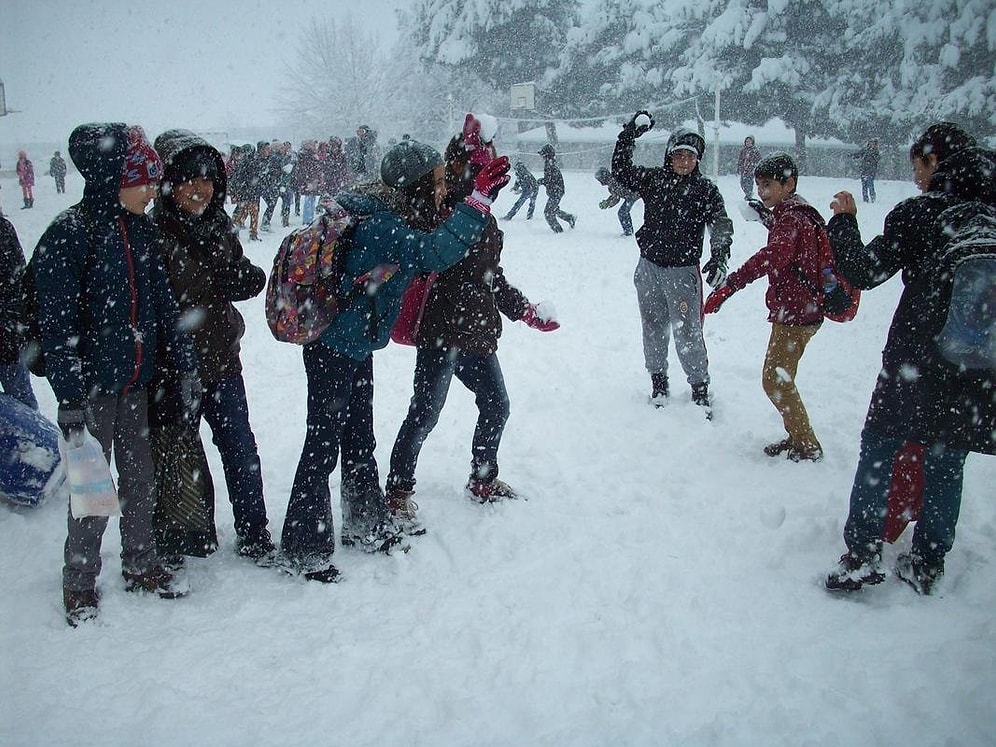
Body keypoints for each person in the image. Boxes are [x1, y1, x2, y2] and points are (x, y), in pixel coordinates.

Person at [280, 139, 511, 581]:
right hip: (333, 349)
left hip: (354, 346)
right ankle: (304, 548)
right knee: (322, 446)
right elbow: (435, 252)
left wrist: (474, 198)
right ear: (416, 185)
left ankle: (365, 524)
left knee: (358, 439)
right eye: (437, 182)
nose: (443, 190)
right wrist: (478, 201)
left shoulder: (393, 215)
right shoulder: (381, 226)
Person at [32, 123, 200, 626]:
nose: (152, 191)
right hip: (90, 391)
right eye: (143, 181)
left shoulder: (141, 231)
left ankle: (141, 563)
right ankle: (79, 581)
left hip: (134, 385)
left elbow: (165, 307)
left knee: (139, 478)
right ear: (113, 179)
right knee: (91, 490)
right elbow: (57, 325)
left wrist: (185, 365)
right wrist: (69, 396)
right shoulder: (71, 233)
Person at [824, 123, 995, 594]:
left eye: (917, 164)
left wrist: (844, 221)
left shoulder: (920, 214)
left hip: (914, 361)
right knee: (946, 464)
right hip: (976, 367)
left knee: (880, 449)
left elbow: (864, 271)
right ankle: (928, 563)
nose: (915, 175)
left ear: (934, 162)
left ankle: (862, 554)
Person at [384, 116, 560, 533]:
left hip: (477, 330)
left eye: (488, 164)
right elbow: (428, 250)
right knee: (425, 413)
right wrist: (469, 190)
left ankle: (483, 479)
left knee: (497, 404)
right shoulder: (437, 211)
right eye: (477, 165)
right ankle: (397, 491)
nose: (486, 173)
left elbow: (489, 276)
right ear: (458, 168)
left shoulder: (485, 217)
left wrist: (525, 311)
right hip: (442, 330)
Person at [152, 129, 278, 567]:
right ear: (168, 183)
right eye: (189, 179)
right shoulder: (153, 235)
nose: (200, 188)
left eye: (207, 179)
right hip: (173, 371)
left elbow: (239, 273)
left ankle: (254, 533)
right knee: (180, 455)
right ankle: (184, 537)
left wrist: (245, 278)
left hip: (222, 360)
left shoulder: (219, 225)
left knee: (241, 450)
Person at [703, 152, 828, 460]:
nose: (762, 191)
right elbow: (789, 244)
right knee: (780, 377)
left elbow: (774, 255)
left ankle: (807, 446)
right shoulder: (796, 212)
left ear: (789, 184)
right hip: (801, 307)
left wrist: (731, 284)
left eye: (769, 184)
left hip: (797, 311)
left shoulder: (792, 218)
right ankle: (797, 436)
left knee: (775, 380)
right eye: (759, 184)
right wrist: (765, 217)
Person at [611, 112, 733, 414]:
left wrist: (719, 255)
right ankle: (658, 382)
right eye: (679, 154)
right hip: (649, 268)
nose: (684, 161)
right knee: (653, 327)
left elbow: (720, 224)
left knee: (688, 330)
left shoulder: (705, 190)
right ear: (669, 155)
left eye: (690, 156)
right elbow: (621, 171)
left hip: (683, 272)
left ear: (697, 159)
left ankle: (699, 387)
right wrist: (628, 135)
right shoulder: (654, 180)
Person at [0, 214, 38, 410]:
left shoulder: (3, 230)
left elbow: (17, 285)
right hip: (9, 335)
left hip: (7, 338)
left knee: (21, 401)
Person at [537, 144, 576, 232]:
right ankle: (570, 218)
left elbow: (548, 180)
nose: (541, 157)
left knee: (548, 213)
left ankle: (559, 232)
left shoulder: (549, 164)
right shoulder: (551, 163)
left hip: (556, 191)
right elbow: (549, 179)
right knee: (553, 209)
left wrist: (539, 181)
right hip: (557, 191)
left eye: (542, 155)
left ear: (546, 155)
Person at [594, 166, 639, 236]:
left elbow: (616, 198)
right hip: (632, 195)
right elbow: (615, 195)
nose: (600, 182)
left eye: (600, 179)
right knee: (623, 212)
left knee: (622, 213)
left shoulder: (613, 182)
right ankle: (628, 230)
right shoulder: (612, 181)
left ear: (604, 177)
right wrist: (608, 202)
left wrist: (607, 203)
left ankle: (628, 232)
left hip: (633, 195)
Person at [293, 140, 323, 224]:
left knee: (311, 199)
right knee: (309, 200)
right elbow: (304, 170)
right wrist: (308, 181)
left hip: (312, 180)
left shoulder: (309, 156)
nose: (315, 147)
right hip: (309, 180)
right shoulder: (306, 156)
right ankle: (307, 220)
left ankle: (309, 219)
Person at [851, 138, 881, 203]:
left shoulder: (876, 152)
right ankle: (865, 199)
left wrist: (871, 159)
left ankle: (872, 197)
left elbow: (876, 159)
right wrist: (853, 155)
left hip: (871, 171)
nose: (871, 144)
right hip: (864, 171)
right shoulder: (865, 150)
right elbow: (859, 154)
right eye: (870, 142)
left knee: (870, 185)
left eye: (873, 143)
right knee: (864, 186)